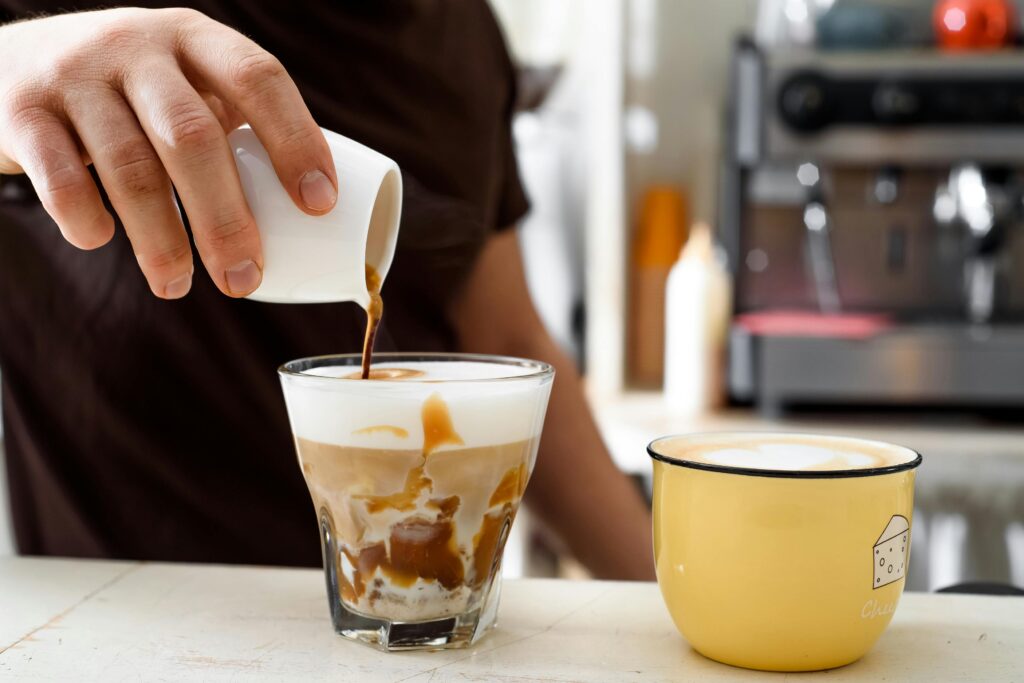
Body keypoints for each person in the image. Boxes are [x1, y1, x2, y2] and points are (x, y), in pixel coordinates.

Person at [0, 2, 654, 580]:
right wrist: (14, 63)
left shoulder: (464, 32)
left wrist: (664, 602)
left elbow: (506, 337)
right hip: (121, 622)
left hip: (406, 629)